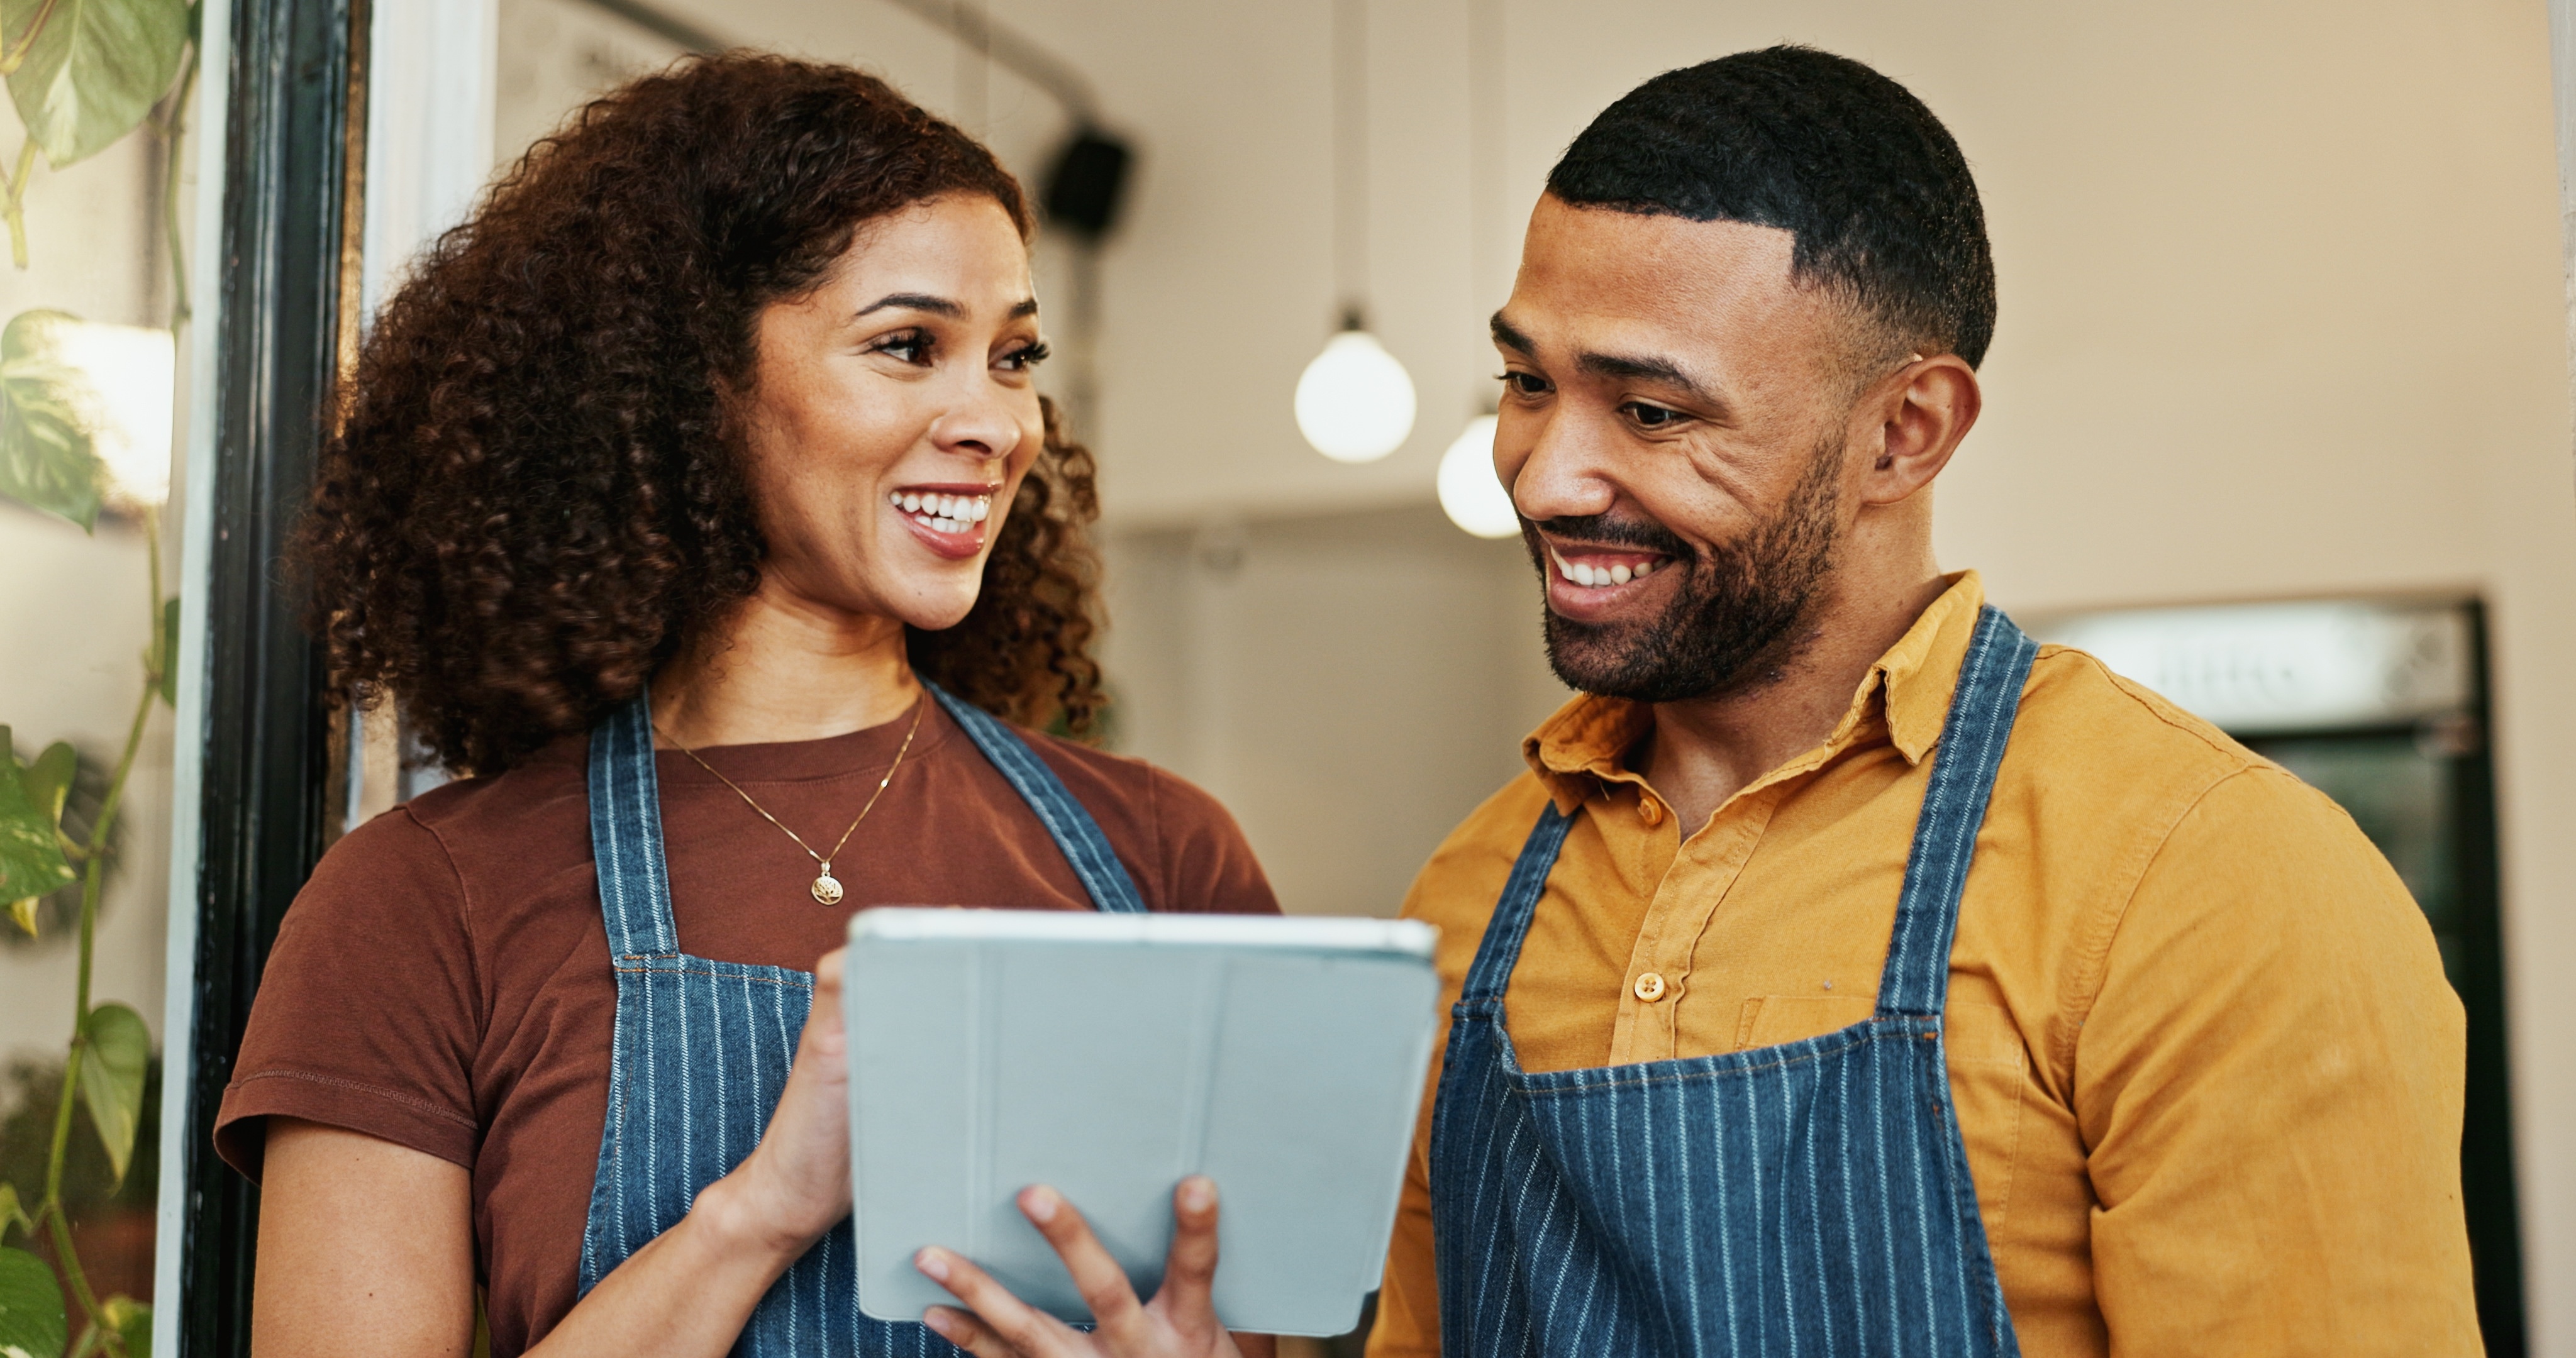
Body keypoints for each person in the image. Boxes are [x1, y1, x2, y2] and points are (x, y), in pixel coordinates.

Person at [1364, 47, 2483, 1357]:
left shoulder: (2211, 885)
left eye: (1652, 410)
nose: (1547, 476)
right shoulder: (1467, 897)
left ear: (1904, 433)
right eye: (1526, 383)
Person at [220, 55, 1274, 1358]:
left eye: (1012, 357)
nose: (996, 422)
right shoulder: (423, 903)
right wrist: (761, 1211)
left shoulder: (1162, 857)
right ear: (687, 384)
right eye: (906, 347)